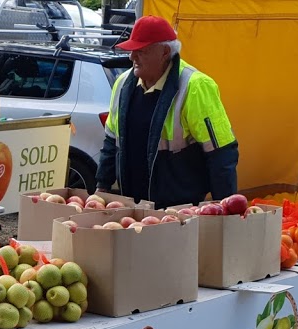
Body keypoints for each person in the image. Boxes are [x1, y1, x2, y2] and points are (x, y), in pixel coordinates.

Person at [96, 15, 238, 209]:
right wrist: (101, 187)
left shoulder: (195, 86)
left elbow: (221, 154)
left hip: (180, 213)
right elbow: (111, 142)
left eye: (141, 51)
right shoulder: (122, 84)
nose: (132, 57)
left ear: (164, 51)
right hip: (133, 209)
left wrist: (226, 210)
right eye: (132, 50)